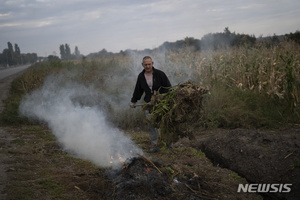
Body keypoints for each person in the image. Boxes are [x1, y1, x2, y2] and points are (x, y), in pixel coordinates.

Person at [130, 56, 171, 153]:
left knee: (163, 123)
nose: (148, 66)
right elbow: (138, 90)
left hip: (161, 103)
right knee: (151, 125)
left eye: (149, 64)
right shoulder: (141, 76)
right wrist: (133, 101)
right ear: (142, 65)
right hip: (149, 103)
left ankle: (168, 145)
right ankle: (155, 145)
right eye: (145, 64)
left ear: (152, 63)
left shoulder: (160, 74)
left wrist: (165, 99)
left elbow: (168, 88)